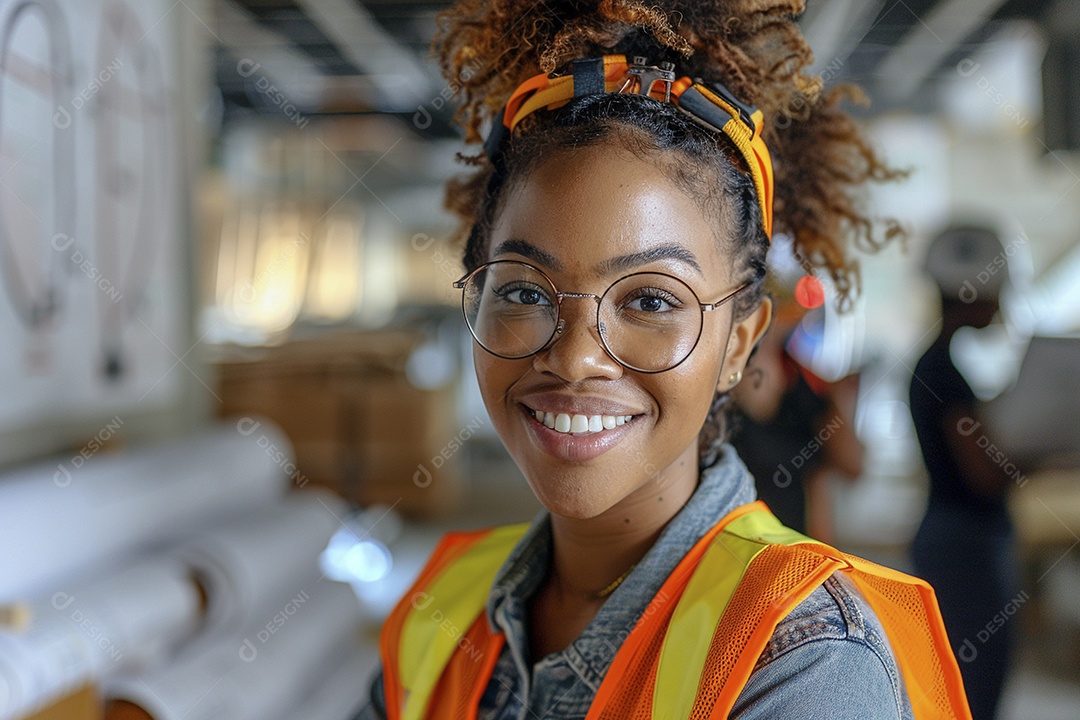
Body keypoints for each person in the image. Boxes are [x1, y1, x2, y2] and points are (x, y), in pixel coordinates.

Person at [356, 1, 971, 718]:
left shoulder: (803, 658)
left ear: (739, 341)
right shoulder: (449, 602)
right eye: (525, 289)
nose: (577, 357)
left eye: (650, 301)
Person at [910, 225, 1025, 720]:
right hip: (964, 546)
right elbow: (982, 474)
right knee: (973, 695)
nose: (1002, 304)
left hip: (953, 541)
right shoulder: (943, 374)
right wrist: (1035, 452)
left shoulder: (938, 367)